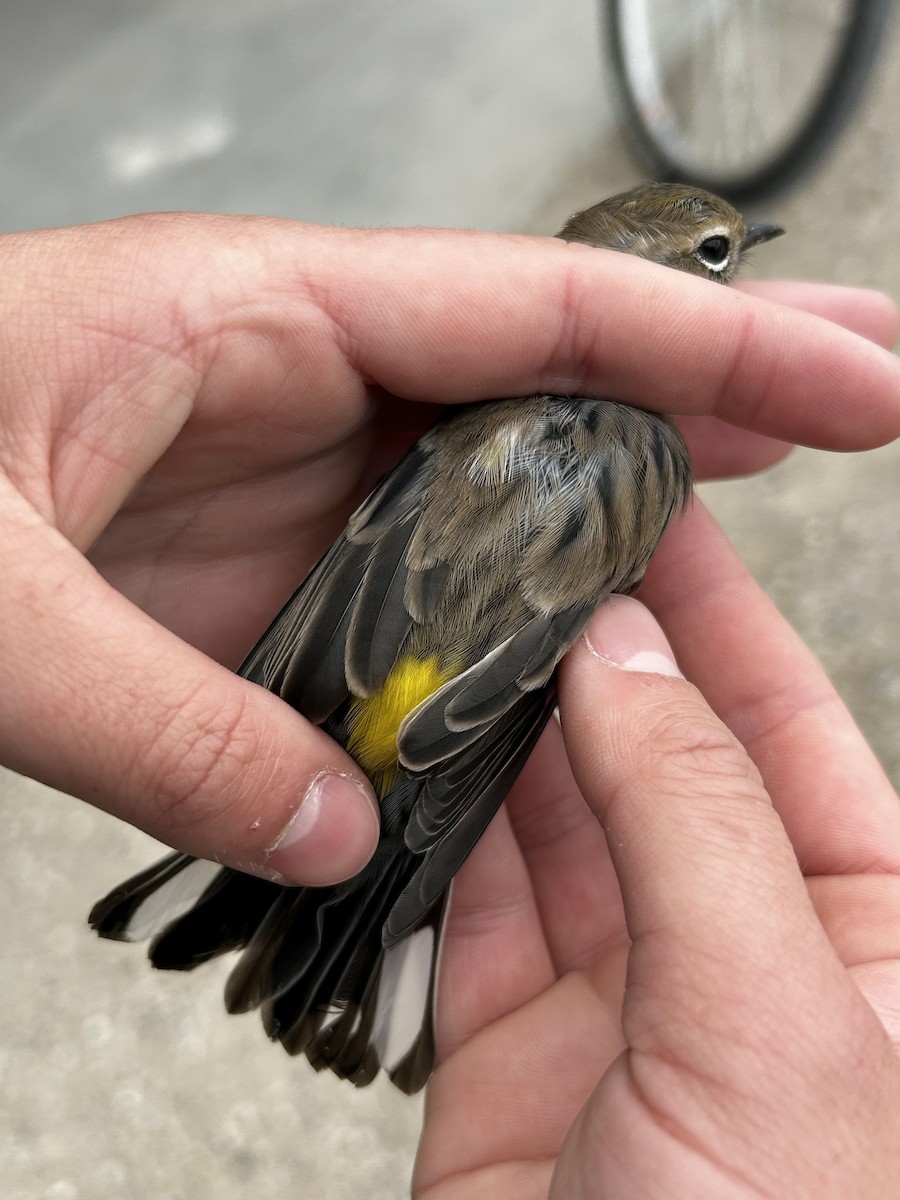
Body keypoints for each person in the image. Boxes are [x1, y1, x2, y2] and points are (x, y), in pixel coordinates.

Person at [1, 212, 899, 1195]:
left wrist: (271, 712)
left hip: (353, 659)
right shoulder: (657, 466)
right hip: (451, 714)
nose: (734, 255)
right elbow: (535, 654)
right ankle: (369, 935)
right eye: (718, 252)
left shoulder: (485, 403)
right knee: (396, 860)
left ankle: (334, 913)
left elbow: (369, 550)